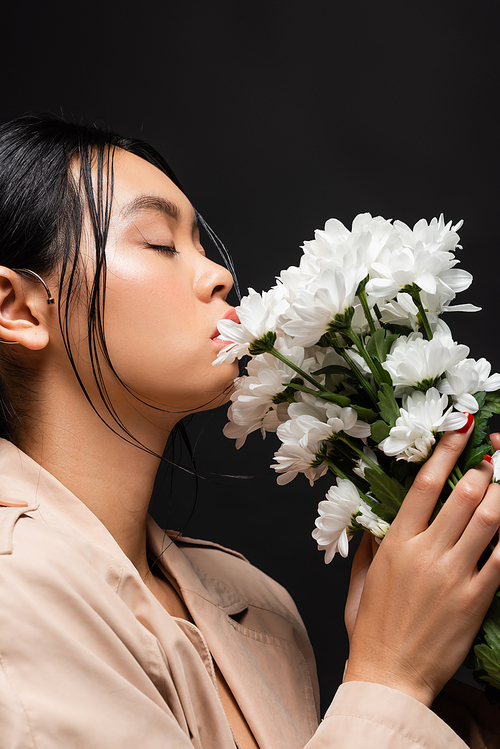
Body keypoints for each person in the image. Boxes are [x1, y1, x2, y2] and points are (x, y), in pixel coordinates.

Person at [0, 114, 499, 749]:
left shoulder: (252, 604)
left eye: (202, 247)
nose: (219, 276)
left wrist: (441, 709)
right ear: (16, 308)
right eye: (158, 242)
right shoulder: (13, 593)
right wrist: (389, 680)